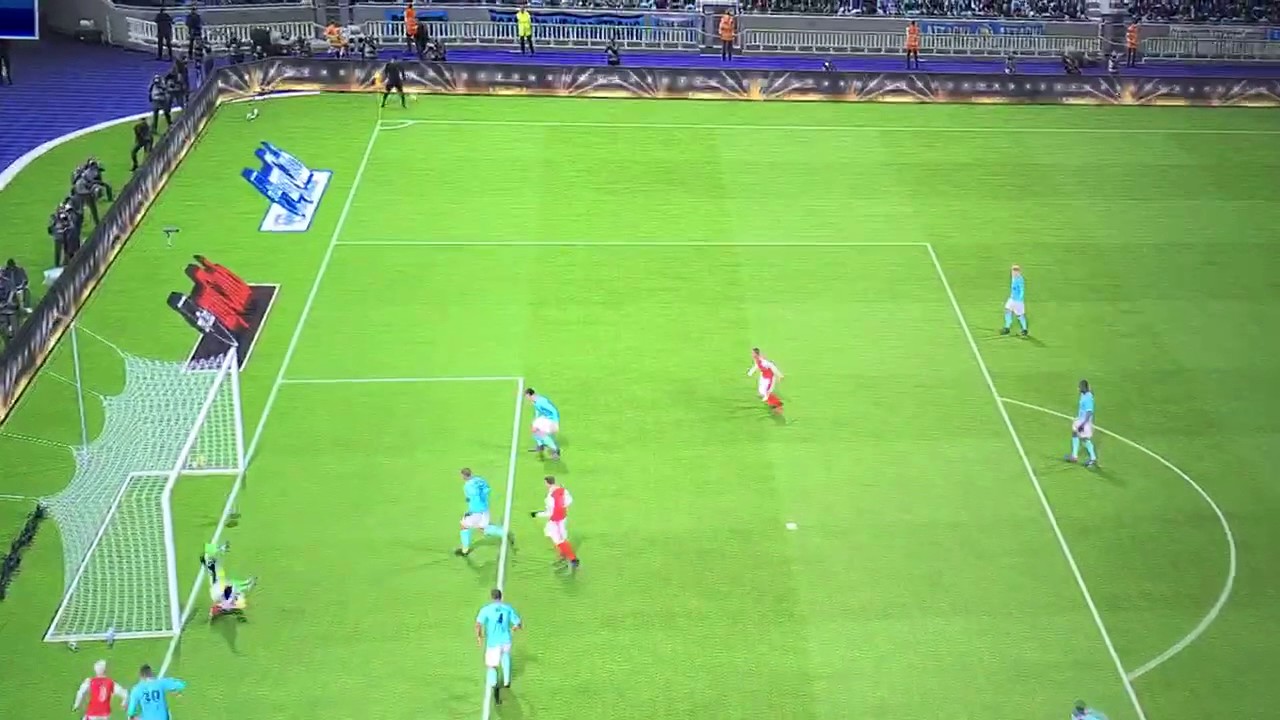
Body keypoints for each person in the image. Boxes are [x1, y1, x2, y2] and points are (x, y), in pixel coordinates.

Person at [475, 589, 522, 706]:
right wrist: (514, 628)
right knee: (505, 656)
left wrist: (479, 637)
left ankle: (494, 684)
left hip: (493, 643)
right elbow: (518, 624)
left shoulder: (486, 609)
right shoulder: (508, 608)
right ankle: (506, 681)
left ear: (492, 597)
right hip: (506, 640)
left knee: (492, 666)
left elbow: (478, 624)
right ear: (501, 597)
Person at [455, 468, 510, 557]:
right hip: (485, 509)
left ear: (463, 476)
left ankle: (465, 550)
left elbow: (475, 496)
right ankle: (503, 532)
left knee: (463, 526)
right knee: (482, 528)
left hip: (476, 511)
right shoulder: (479, 480)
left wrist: (471, 511)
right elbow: (487, 489)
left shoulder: (468, 486)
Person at [529, 475, 578, 569]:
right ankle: (563, 553)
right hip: (561, 518)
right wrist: (563, 506)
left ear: (547, 483)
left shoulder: (550, 497)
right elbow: (569, 501)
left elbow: (549, 513)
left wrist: (537, 514)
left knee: (560, 540)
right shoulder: (563, 490)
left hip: (557, 521)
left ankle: (573, 559)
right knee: (549, 532)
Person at [1065, 380, 1098, 467]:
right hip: (1080, 420)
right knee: (1074, 433)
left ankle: (1093, 458)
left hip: (1085, 422)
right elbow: (1091, 392)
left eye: (1080, 387)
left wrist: (1083, 425)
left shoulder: (1087, 399)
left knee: (1084, 439)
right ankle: (1074, 456)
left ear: (1083, 388)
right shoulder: (1084, 394)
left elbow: (1089, 412)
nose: (1078, 388)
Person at [523, 387, 561, 459]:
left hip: (552, 420)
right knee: (534, 428)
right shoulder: (535, 401)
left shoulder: (541, 402)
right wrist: (535, 421)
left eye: (527, 397)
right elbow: (537, 411)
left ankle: (556, 450)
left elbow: (553, 410)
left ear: (530, 395)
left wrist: (555, 422)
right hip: (546, 418)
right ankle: (540, 446)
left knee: (540, 433)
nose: (526, 399)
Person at [1001, 263, 1027, 336]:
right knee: (1007, 310)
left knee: (1020, 315)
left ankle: (1024, 329)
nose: (1013, 273)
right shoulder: (1013, 277)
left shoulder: (1020, 279)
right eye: (1013, 271)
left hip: (1018, 301)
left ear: (1019, 272)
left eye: (1015, 271)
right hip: (1012, 299)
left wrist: (1020, 298)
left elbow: (1022, 290)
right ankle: (1007, 327)